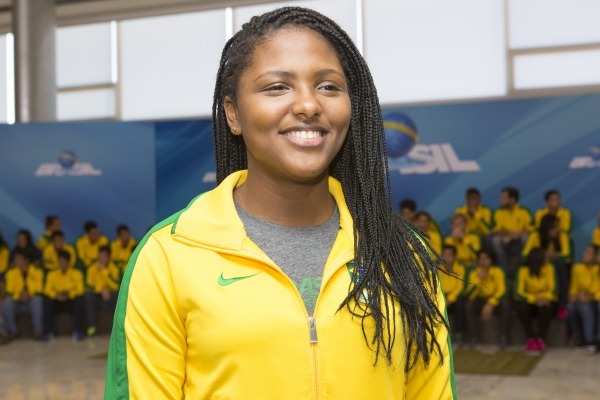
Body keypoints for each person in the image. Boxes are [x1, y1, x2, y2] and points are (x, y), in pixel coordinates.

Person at [105, 7, 455, 399]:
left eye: (328, 87)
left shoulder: (401, 252)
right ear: (233, 113)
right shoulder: (169, 255)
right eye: (277, 87)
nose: (308, 104)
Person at [522, 214, 570, 316]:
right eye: (554, 227)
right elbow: (524, 255)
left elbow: (567, 255)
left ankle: (562, 306)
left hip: (554, 265)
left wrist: (553, 255)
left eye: (558, 226)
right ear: (546, 228)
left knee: (561, 264)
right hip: (537, 264)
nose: (557, 230)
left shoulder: (562, 236)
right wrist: (543, 255)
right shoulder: (535, 236)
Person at [513, 248, 557, 353]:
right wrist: (534, 298)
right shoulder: (522, 270)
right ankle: (531, 338)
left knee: (545, 307)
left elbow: (554, 289)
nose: (547, 260)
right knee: (521, 306)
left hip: (546, 300)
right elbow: (518, 293)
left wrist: (544, 298)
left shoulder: (550, 267)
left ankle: (541, 338)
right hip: (530, 301)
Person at [464, 248, 509, 347]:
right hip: (480, 300)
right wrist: (479, 280)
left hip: (494, 301)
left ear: (491, 260)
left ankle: (503, 337)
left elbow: (502, 291)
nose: (483, 262)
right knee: (469, 305)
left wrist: (490, 303)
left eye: (486, 259)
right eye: (480, 259)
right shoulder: (474, 273)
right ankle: (475, 336)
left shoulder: (498, 271)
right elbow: (470, 295)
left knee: (506, 304)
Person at [43, 250, 85, 341]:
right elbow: (47, 290)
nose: (61, 264)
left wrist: (69, 294)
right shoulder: (51, 274)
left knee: (80, 301)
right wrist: (56, 295)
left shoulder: (77, 274)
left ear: (69, 262)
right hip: (56, 300)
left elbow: (80, 290)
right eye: (60, 261)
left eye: (64, 262)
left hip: (70, 300)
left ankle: (78, 331)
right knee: (47, 302)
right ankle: (48, 332)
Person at [2, 249, 44, 339]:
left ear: (26, 260)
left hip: (31, 301)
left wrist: (29, 293)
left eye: (19, 259)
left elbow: (39, 289)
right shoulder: (10, 273)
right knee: (7, 302)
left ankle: (38, 331)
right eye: (15, 259)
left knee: (37, 299)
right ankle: (12, 331)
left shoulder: (37, 272)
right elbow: (9, 291)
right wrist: (19, 295)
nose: (16, 261)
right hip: (17, 302)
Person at [490, 186, 532, 276]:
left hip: (519, 239)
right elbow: (496, 231)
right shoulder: (498, 212)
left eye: (503, 198)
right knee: (495, 240)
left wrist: (513, 235)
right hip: (504, 239)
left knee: (527, 238)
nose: (500, 200)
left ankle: (521, 266)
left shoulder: (524, 211)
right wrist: (509, 234)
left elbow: (530, 231)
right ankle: (505, 270)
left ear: (512, 200)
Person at [566, 244, 598, 350]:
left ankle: (591, 339)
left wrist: (590, 295)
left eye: (589, 253)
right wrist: (575, 295)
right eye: (585, 251)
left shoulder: (598, 268)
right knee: (571, 306)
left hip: (595, 299)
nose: (584, 254)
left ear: (596, 256)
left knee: (587, 306)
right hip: (581, 298)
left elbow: (596, 286)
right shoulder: (577, 267)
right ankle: (580, 336)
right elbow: (573, 287)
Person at [84, 245, 119, 337]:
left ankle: (117, 328)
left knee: (117, 294)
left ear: (109, 257)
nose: (101, 259)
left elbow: (115, 285)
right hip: (98, 295)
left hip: (110, 294)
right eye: (100, 256)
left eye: (104, 257)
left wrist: (104, 271)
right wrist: (101, 290)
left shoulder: (114, 268)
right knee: (88, 295)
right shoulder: (92, 269)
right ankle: (92, 326)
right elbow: (89, 286)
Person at [441, 245, 466, 346]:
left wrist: (450, 299)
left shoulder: (460, 268)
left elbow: (460, 287)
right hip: (442, 296)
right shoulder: (437, 267)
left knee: (460, 302)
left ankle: (459, 334)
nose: (446, 258)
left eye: (449, 255)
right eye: (444, 255)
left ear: (455, 257)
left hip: (454, 297)